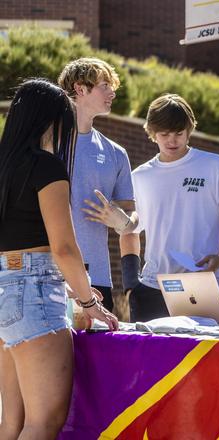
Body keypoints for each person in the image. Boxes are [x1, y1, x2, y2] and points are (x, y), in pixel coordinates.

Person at [0, 79, 118, 440]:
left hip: (5, 287)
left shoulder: (4, 165)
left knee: (12, 422)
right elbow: (64, 247)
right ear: (54, 121)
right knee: (44, 422)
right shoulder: (47, 167)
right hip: (33, 292)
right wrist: (87, 300)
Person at [122, 93, 219, 322]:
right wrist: (131, 284)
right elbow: (129, 230)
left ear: (189, 130)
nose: (172, 141)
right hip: (151, 286)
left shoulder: (214, 166)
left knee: (205, 356)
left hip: (199, 283)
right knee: (150, 357)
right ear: (151, 132)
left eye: (179, 133)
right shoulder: (140, 176)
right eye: (164, 134)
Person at [58, 57, 138, 312]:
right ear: (80, 89)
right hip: (50, 277)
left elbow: (133, 216)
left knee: (93, 353)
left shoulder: (116, 153)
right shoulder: (44, 145)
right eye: (105, 85)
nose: (112, 93)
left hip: (98, 280)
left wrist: (123, 222)